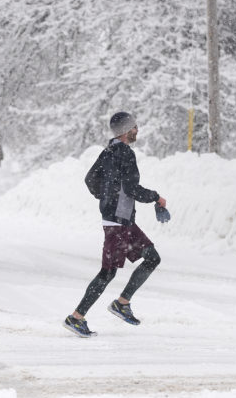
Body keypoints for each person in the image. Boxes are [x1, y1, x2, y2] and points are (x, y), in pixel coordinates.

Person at [64, 111, 167, 337]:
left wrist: (105, 197)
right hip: (119, 222)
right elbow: (131, 189)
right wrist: (156, 198)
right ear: (125, 131)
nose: (137, 130)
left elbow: (90, 179)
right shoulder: (125, 154)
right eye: (134, 127)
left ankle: (122, 303)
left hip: (121, 220)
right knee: (108, 272)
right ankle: (76, 317)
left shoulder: (107, 151)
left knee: (152, 257)